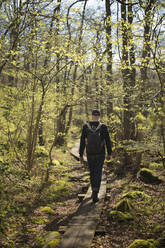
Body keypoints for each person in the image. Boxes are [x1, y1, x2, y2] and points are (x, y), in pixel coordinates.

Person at [79, 109, 112, 203]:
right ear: (99, 117)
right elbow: (108, 141)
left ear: (92, 116)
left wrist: (81, 155)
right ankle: (95, 192)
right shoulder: (103, 127)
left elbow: (82, 142)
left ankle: (93, 189)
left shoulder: (86, 127)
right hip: (100, 153)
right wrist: (109, 153)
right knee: (98, 172)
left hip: (90, 154)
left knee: (92, 172)